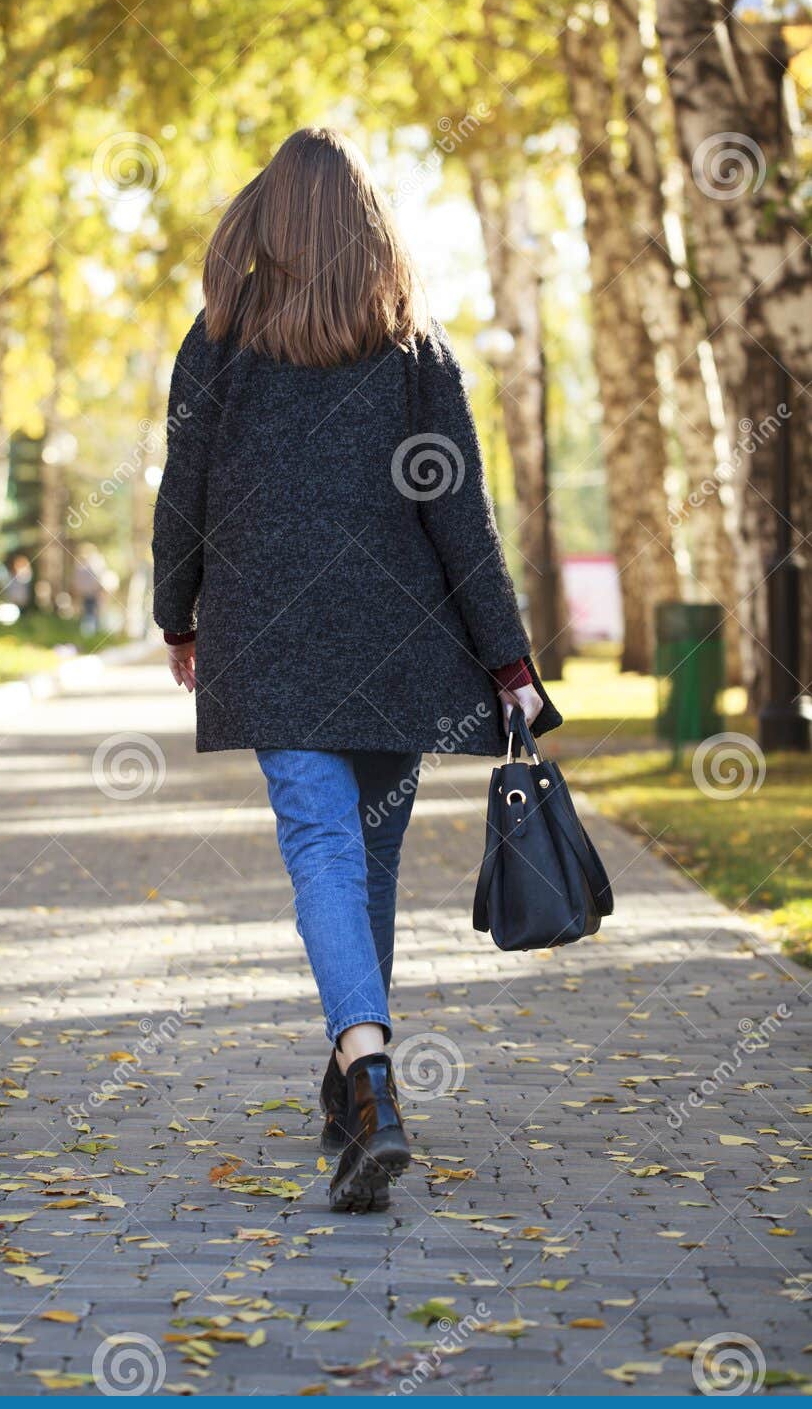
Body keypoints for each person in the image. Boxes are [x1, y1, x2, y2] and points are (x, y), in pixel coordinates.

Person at [151, 126, 560, 1214]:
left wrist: (173, 609)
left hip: (270, 642)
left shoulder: (219, 340)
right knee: (361, 859)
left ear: (265, 224)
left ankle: (365, 1074)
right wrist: (505, 654)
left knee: (326, 851)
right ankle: (357, 1076)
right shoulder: (412, 348)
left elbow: (179, 488)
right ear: (365, 227)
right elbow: (458, 515)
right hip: (402, 646)